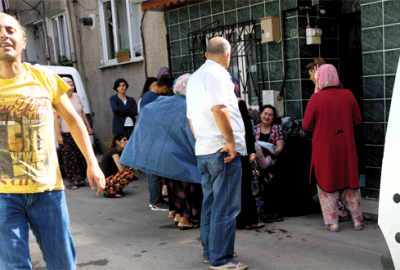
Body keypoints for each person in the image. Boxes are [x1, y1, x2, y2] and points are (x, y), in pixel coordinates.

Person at [0, 12, 105, 269]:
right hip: (3, 195)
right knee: (13, 266)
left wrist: (92, 163)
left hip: (47, 191)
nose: (4, 35)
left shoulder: (44, 78)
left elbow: (73, 120)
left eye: (10, 30)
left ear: (24, 41)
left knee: (63, 263)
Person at [186, 36, 248, 270]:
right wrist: (230, 142)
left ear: (206, 54)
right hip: (222, 151)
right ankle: (221, 259)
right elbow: (220, 109)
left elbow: (191, 119)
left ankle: (210, 252)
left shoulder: (194, 78)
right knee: (226, 207)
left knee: (211, 204)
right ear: (227, 57)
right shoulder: (219, 74)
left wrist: (204, 139)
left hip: (204, 149)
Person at [120, 74, 203, 229]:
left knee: (174, 186)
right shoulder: (188, 105)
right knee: (187, 186)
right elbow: (192, 133)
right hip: (183, 154)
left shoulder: (164, 101)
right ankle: (186, 219)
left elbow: (146, 112)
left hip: (166, 154)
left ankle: (178, 216)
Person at [303, 64, 363, 232]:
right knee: (350, 179)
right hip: (346, 146)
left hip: (325, 148)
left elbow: (307, 125)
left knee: (327, 182)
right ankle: (357, 221)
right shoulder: (348, 94)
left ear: (319, 78)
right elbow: (358, 120)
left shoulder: (316, 98)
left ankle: (334, 223)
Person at [136, 74, 174, 211]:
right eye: (169, 90)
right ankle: (155, 202)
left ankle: (157, 199)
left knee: (156, 171)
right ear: (164, 87)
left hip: (151, 139)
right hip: (152, 140)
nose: (169, 93)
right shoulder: (153, 99)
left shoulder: (147, 96)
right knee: (154, 172)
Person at [233, 78, 263, 231]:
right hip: (241, 150)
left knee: (233, 187)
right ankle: (250, 220)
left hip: (226, 150)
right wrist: (251, 150)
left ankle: (237, 220)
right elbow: (246, 128)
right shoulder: (239, 103)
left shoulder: (219, 103)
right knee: (245, 185)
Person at [54, 77, 93, 190]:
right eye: (69, 85)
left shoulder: (76, 96)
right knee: (69, 157)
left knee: (81, 155)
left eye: (72, 85)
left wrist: (88, 127)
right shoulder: (59, 99)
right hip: (67, 132)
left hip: (80, 132)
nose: (72, 87)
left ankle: (81, 179)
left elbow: (82, 113)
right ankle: (72, 180)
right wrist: (59, 135)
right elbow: (56, 118)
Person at [254, 104, 285, 223]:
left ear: (273, 117)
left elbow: (279, 148)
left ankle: (275, 211)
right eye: (265, 114)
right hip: (258, 162)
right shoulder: (255, 128)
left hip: (272, 161)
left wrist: (269, 151)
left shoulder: (277, 128)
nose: (267, 116)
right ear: (261, 114)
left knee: (273, 176)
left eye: (270, 115)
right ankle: (264, 211)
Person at [100, 134, 134, 198]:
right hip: (105, 181)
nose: (127, 141)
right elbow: (121, 169)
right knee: (128, 174)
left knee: (130, 170)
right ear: (117, 142)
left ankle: (115, 189)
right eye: (124, 140)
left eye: (127, 140)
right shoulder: (114, 152)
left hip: (109, 179)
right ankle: (110, 192)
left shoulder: (119, 151)